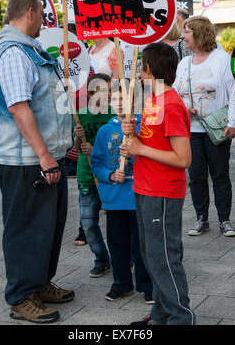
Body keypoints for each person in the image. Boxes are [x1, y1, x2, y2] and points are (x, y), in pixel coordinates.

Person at [0, 0, 74, 324]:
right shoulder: (12, 53)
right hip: (25, 161)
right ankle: (22, 296)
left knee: (47, 228)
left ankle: (39, 283)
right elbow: (19, 108)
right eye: (42, 14)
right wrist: (44, 156)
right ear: (29, 13)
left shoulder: (28, 50)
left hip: (45, 156)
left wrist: (63, 145)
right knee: (26, 229)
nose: (45, 21)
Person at [120, 42, 194, 325]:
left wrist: (140, 149)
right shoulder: (153, 100)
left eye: (141, 67)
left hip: (162, 192)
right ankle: (161, 313)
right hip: (145, 187)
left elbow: (183, 158)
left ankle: (180, 317)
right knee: (151, 255)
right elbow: (150, 140)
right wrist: (132, 132)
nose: (139, 72)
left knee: (164, 257)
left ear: (148, 68)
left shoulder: (171, 104)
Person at [174, 16, 235, 237]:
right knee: (196, 176)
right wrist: (185, 107)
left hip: (217, 129)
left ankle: (225, 219)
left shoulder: (221, 59)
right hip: (191, 131)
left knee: (220, 174)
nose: (182, 36)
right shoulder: (184, 63)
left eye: (187, 32)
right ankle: (201, 218)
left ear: (200, 33)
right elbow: (175, 92)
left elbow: (234, 93)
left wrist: (233, 123)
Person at [90, 83, 153, 304]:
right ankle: (121, 284)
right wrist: (109, 175)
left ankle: (147, 285)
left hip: (137, 195)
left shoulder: (143, 126)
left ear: (134, 101)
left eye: (123, 99)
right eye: (115, 99)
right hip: (114, 198)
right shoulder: (104, 131)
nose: (119, 104)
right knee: (117, 243)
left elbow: (150, 157)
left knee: (140, 244)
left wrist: (134, 141)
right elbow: (96, 163)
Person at [74, 73, 112, 278]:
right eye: (102, 91)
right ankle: (101, 259)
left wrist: (96, 150)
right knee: (88, 223)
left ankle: (125, 257)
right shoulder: (80, 114)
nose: (107, 95)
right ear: (90, 94)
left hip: (109, 177)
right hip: (87, 176)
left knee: (117, 224)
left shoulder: (115, 115)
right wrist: (80, 139)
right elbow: (76, 147)